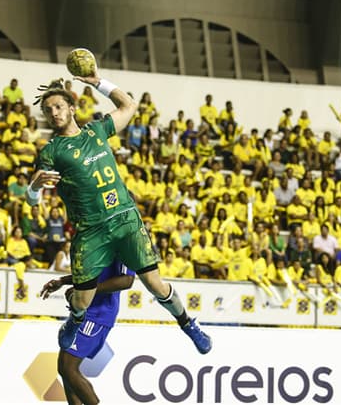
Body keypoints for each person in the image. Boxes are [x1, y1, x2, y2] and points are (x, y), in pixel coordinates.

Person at [27, 72, 211, 353]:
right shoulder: (52, 151)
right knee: (81, 300)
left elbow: (129, 106)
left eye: (58, 106)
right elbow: (32, 199)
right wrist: (34, 188)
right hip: (91, 230)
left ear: (72, 108)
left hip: (125, 218)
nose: (53, 113)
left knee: (155, 284)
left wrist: (97, 82)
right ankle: (74, 322)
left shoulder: (96, 131)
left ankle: (189, 325)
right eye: (48, 110)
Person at [39, 260, 134, 405]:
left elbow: (127, 280)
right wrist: (62, 281)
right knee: (67, 371)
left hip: (98, 313)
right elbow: (92, 275)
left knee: (67, 367)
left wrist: (90, 290)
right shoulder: (97, 240)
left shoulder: (125, 242)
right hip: (85, 307)